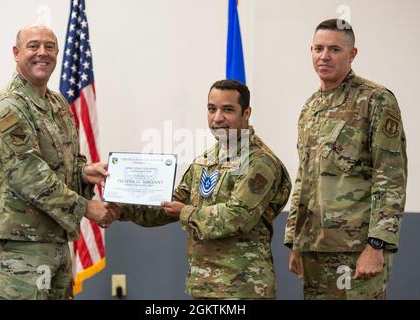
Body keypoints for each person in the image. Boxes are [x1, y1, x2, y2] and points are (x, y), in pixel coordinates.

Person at [0, 24, 117, 300]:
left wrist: (84, 172)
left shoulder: (58, 104)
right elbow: (28, 175)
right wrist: (87, 208)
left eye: (49, 47)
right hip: (15, 248)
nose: (43, 53)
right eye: (33, 46)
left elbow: (65, 164)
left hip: (54, 240)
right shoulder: (8, 106)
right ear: (16, 53)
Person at [115, 79, 292, 299]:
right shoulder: (206, 159)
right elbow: (170, 204)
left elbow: (237, 217)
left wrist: (186, 212)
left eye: (227, 110)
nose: (217, 118)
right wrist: (121, 207)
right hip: (204, 286)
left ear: (246, 113)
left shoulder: (259, 162)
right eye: (211, 109)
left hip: (243, 288)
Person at [284, 19, 408, 300]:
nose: (324, 56)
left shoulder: (375, 100)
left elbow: (390, 176)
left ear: (352, 55)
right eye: (318, 48)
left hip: (356, 249)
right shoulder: (310, 107)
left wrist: (377, 245)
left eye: (334, 49)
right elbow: (304, 176)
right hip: (314, 248)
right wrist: (295, 240)